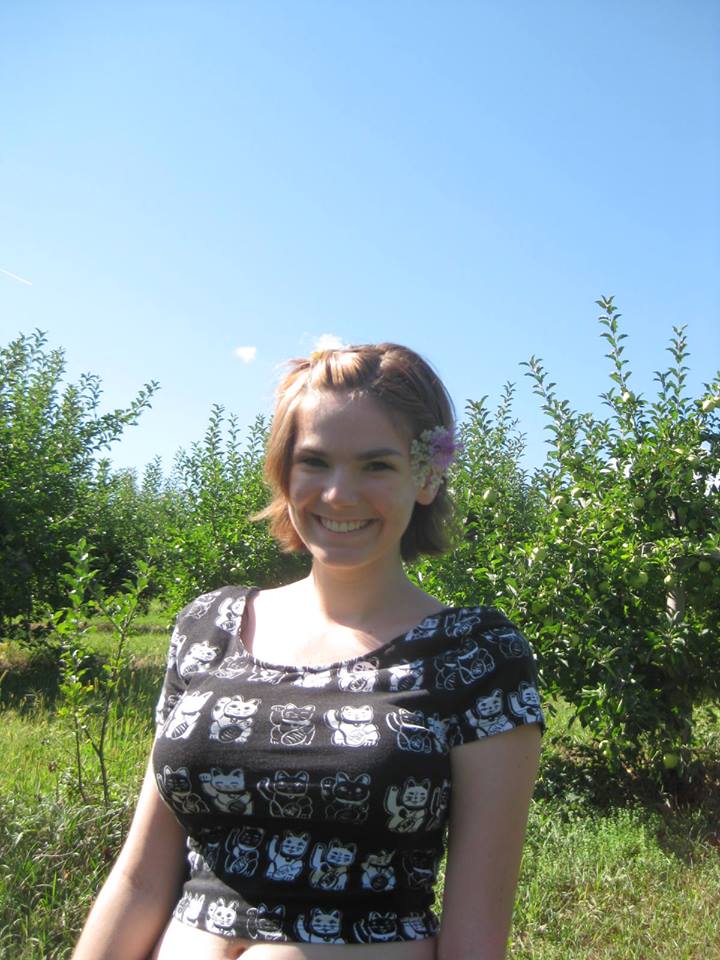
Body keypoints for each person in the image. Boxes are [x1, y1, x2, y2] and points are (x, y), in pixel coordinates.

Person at [72, 343, 544, 960]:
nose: (339, 494)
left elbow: (475, 938)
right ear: (284, 474)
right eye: (314, 462)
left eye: (376, 465)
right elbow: (140, 879)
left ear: (426, 477)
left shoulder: (475, 654)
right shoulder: (206, 627)